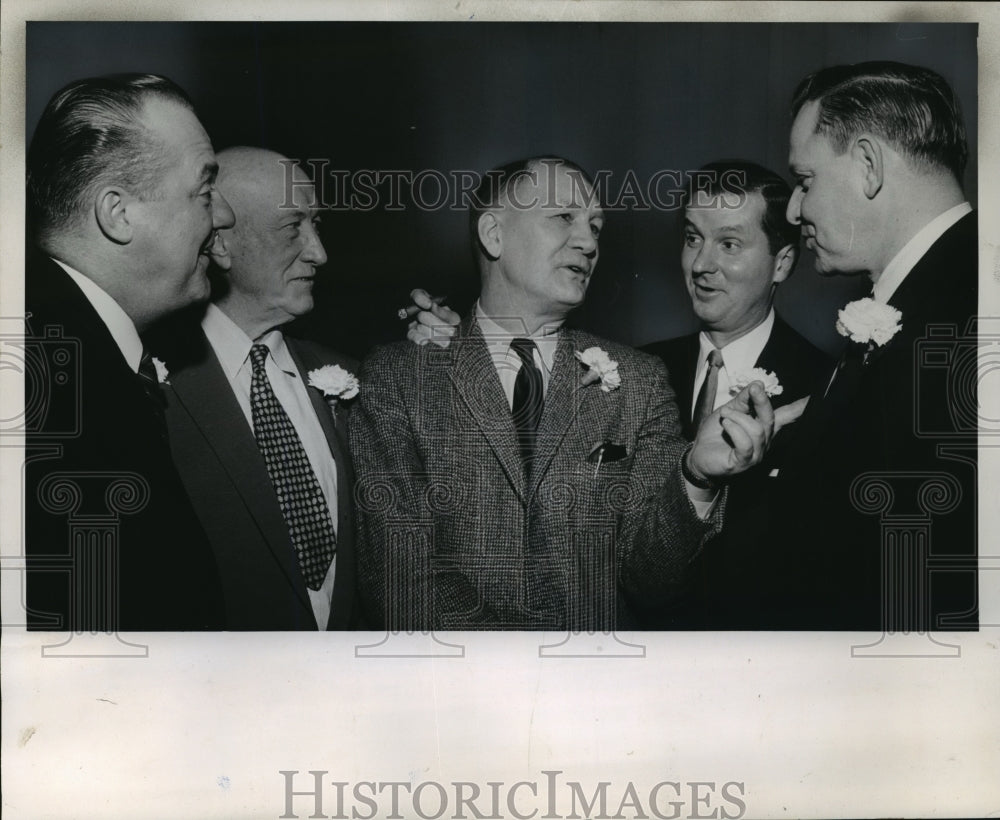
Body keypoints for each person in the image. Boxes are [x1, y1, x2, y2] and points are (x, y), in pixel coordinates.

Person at [350, 156, 801, 631]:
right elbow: (400, 578)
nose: (588, 243)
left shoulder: (639, 382)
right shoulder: (398, 378)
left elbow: (652, 582)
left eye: (596, 227)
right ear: (493, 234)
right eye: (564, 217)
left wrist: (695, 476)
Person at [24, 74, 234, 630]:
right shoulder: (44, 387)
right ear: (118, 214)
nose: (225, 217)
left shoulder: (63, 351)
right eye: (204, 191)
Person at [774, 61, 978, 630]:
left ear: (868, 164)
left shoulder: (966, 313)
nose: (794, 210)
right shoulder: (938, 292)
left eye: (806, 180)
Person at [152, 147, 360, 630]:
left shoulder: (352, 377)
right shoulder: (152, 385)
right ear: (220, 243)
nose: (319, 252)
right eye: (293, 227)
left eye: (317, 224)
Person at [643, 160, 832, 628]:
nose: (702, 265)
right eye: (692, 238)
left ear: (781, 263)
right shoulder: (638, 370)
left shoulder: (826, 388)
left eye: (728, 243)